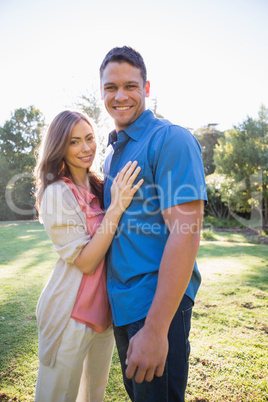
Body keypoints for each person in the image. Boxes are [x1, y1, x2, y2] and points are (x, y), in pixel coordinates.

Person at [99, 46, 208, 401]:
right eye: (110, 87)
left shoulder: (170, 139)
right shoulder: (114, 152)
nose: (120, 96)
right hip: (124, 306)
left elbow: (186, 232)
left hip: (156, 308)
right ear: (101, 93)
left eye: (130, 86)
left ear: (146, 89)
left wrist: (157, 328)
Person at [34, 110, 143, 402]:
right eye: (74, 142)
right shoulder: (57, 194)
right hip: (71, 314)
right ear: (60, 146)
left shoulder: (100, 186)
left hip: (106, 313)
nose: (86, 148)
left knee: (93, 395)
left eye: (90, 138)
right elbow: (86, 261)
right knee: (56, 395)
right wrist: (117, 208)